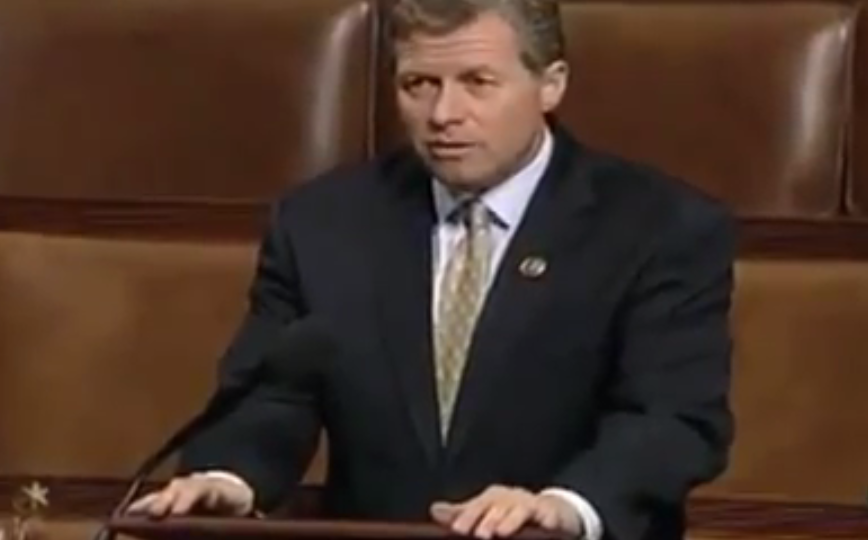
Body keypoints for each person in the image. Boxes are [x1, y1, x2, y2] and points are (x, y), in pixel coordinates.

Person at [128, 1, 736, 539]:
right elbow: (273, 392)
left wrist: (563, 506)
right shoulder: (324, 223)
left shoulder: (658, 227)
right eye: (419, 84)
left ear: (550, 84)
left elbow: (673, 419)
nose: (444, 113)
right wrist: (229, 479)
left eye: (477, 82)